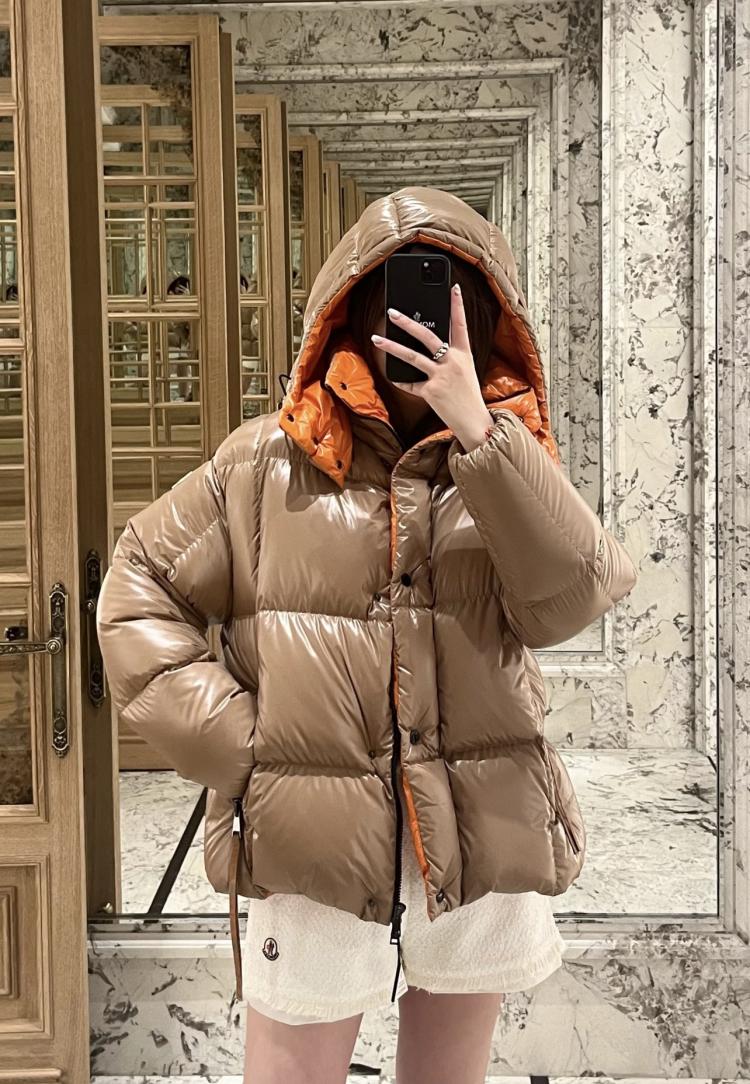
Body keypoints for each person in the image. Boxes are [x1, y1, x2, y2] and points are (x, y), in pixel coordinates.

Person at [96, 186, 638, 1084]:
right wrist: (248, 748)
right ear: (349, 311)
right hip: (311, 846)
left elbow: (574, 600)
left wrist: (480, 430)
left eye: (448, 303)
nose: (416, 323)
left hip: (476, 835)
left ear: (485, 319)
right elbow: (135, 590)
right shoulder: (264, 465)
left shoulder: (505, 461)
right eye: (393, 298)